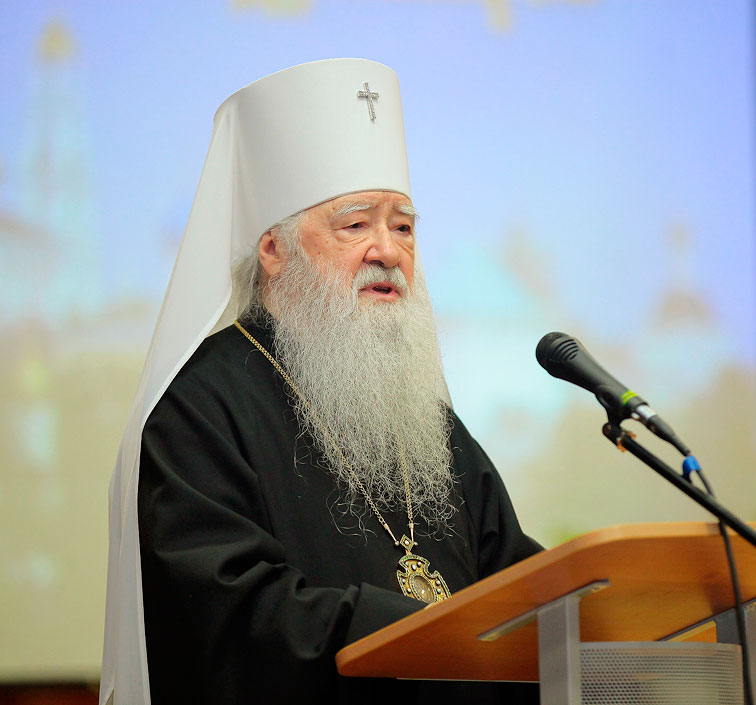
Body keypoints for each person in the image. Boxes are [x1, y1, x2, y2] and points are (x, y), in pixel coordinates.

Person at [100, 59, 541, 705]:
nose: (388, 251)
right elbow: (234, 617)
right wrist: (423, 632)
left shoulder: (427, 422)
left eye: (403, 227)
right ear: (273, 251)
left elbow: (518, 581)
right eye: (356, 224)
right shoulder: (197, 408)